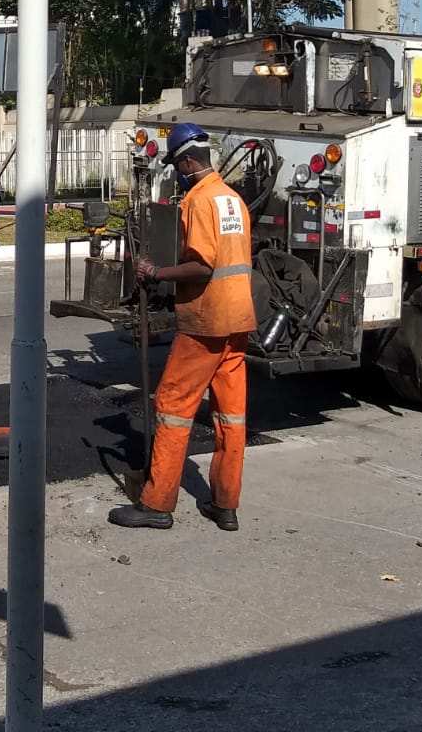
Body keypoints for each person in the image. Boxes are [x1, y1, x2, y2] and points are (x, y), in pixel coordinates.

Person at [109, 122, 256, 534]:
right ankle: (225, 504)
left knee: (172, 408)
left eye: (176, 163)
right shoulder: (233, 199)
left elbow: (203, 264)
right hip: (237, 320)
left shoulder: (198, 200)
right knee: (230, 416)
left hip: (206, 322)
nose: (176, 170)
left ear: (188, 161)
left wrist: (156, 272)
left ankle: (157, 504)